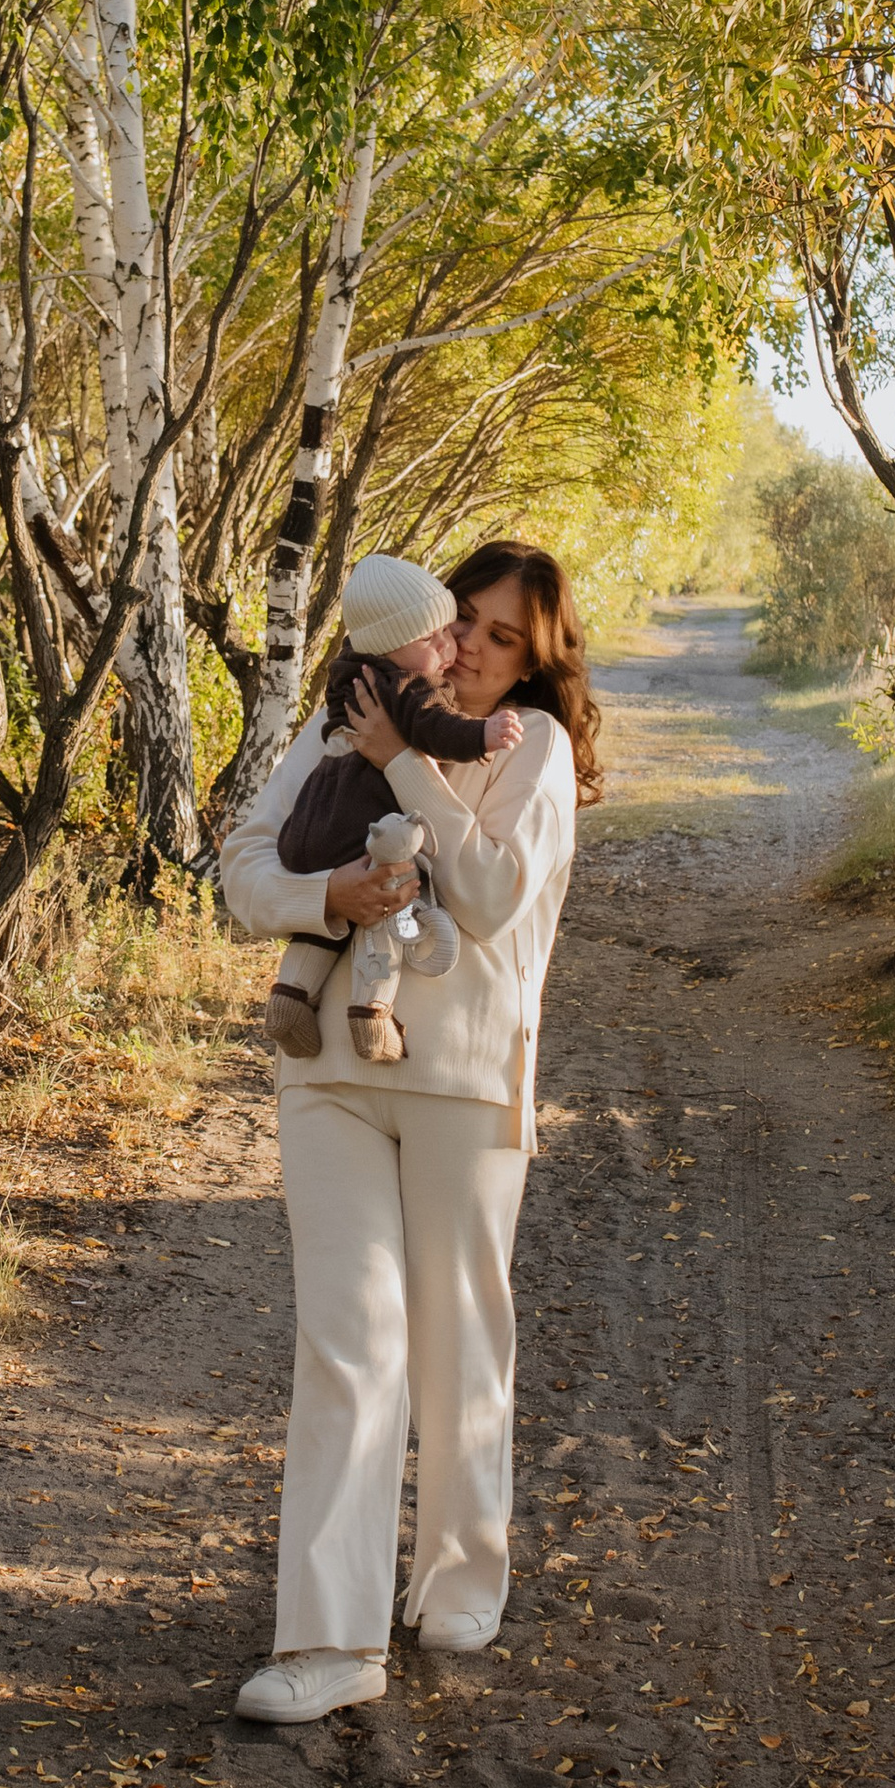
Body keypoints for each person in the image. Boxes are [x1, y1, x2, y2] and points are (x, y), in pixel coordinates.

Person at [219, 539, 603, 1723]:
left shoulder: (527, 748)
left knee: (458, 1341)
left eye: (505, 639)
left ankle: (455, 1579)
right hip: (328, 1070)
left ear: (536, 661)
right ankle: (329, 1644)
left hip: (464, 1084)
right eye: (467, 625)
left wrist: (403, 767)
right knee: (349, 1339)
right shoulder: (357, 707)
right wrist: (323, 897)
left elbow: (485, 899)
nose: (477, 653)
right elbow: (239, 872)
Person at [264, 551, 523, 1062]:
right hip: (364, 825)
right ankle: (372, 1015)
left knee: (330, 924)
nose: (457, 646)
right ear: (390, 646)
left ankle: (291, 996)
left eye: (498, 636)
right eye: (441, 635)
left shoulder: (349, 677)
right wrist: (482, 735)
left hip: (315, 820)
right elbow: (435, 725)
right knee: (392, 902)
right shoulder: (403, 686)